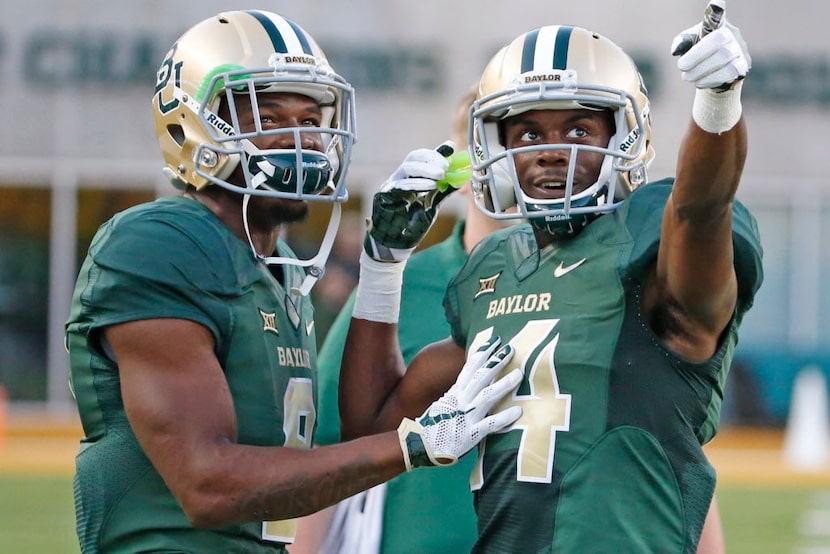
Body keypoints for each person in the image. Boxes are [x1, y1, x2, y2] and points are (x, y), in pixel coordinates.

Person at [64, 10, 523, 554]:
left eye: (312, 117)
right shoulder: (163, 242)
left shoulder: (272, 264)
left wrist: (382, 265)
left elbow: (356, 439)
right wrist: (414, 446)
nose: (303, 139)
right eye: (270, 117)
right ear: (195, 124)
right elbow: (207, 483)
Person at [339, 4, 762, 553]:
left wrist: (717, 105)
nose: (550, 150)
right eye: (528, 132)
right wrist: (383, 263)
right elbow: (372, 428)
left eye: (579, 128)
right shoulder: (491, 267)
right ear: (496, 147)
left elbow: (701, 210)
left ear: (625, 134)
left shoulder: (650, 248)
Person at [292, 84, 508, 554]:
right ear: (465, 165)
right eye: (506, 140)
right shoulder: (399, 288)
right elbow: (324, 454)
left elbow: (673, 455)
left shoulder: (602, 285)